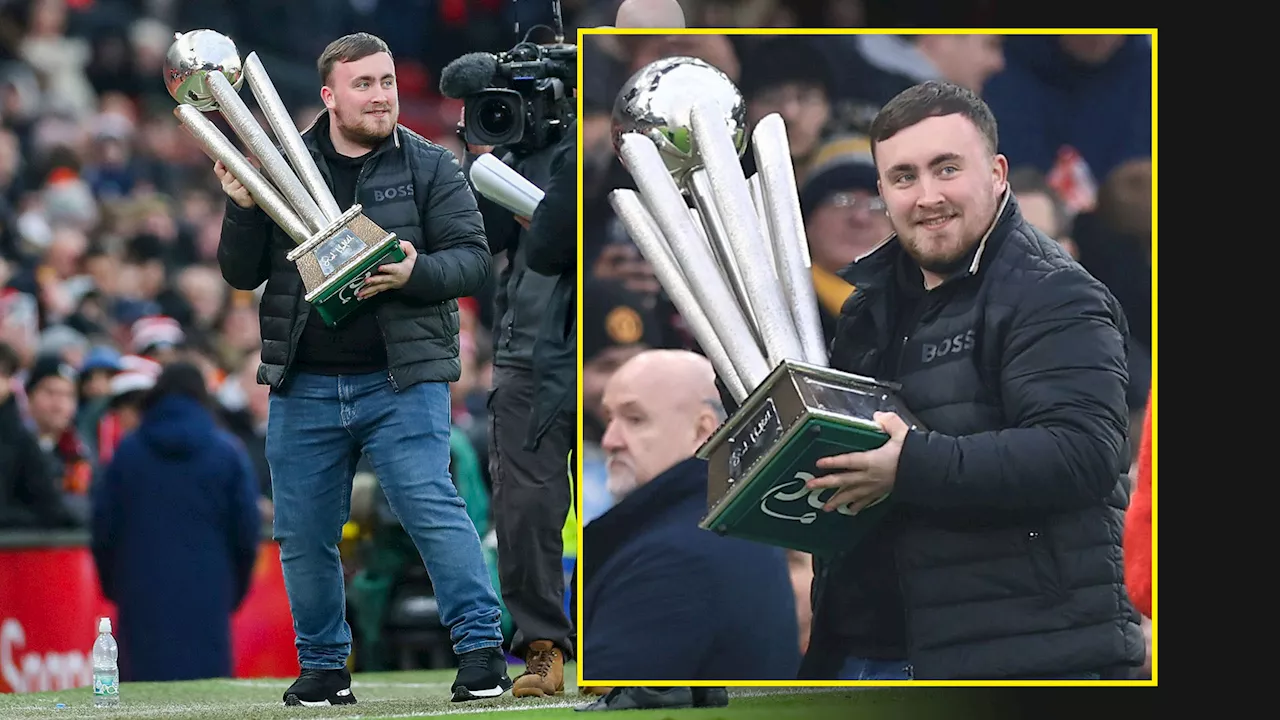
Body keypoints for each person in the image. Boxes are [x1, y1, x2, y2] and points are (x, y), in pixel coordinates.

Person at [797, 81, 1145, 680]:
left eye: (947, 168)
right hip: (864, 652)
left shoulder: (1053, 292)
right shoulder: (867, 307)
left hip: (1024, 659)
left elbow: (1082, 453)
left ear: (997, 172)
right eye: (903, 177)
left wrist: (911, 467)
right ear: (883, 191)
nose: (927, 195)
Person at [215, 33, 510, 705]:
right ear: (330, 95)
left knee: (433, 511)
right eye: (364, 84)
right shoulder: (281, 163)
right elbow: (239, 274)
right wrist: (239, 205)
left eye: (386, 82)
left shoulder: (433, 164)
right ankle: (323, 668)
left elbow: (471, 258)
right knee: (302, 532)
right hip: (304, 382)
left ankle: (482, 654)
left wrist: (413, 271)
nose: (381, 95)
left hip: (399, 377)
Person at [577, 350, 797, 711]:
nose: (610, 440)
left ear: (703, 430)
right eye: (608, 419)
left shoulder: (671, 558)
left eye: (634, 419)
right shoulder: (726, 527)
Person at [461, 75, 577, 700]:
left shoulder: (606, 142)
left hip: (615, 343)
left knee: (635, 487)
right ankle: (542, 648)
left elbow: (559, 242)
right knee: (525, 506)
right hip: (528, 348)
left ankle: (641, 639)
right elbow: (484, 242)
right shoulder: (510, 155)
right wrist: (482, 152)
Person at [89, 361, 261, 682]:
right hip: (209, 589)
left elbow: (103, 528)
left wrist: (114, 584)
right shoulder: (227, 453)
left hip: (140, 590)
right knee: (208, 697)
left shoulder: (128, 453)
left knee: (143, 694)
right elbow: (246, 531)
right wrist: (234, 589)